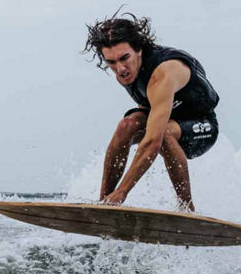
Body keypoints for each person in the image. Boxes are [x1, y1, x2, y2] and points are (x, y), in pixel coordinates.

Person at [83, 14, 220, 212]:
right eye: (111, 62)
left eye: (124, 58)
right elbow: (147, 112)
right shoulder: (127, 72)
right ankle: (103, 203)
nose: (120, 69)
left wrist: (123, 192)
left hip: (201, 127)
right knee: (126, 125)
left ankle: (186, 209)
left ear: (138, 50)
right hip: (167, 119)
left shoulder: (163, 73)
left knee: (161, 134)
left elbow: (152, 142)